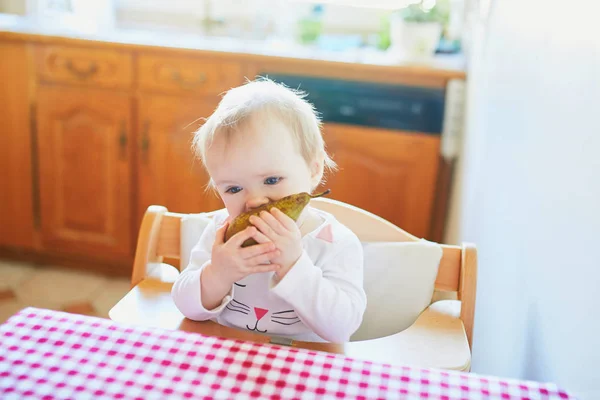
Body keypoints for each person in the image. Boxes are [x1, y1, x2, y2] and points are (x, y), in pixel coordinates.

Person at [171, 78, 366, 342]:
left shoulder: (333, 242)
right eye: (233, 189)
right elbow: (186, 307)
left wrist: (294, 266)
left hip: (305, 367)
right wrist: (218, 274)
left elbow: (342, 327)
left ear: (313, 169)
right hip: (230, 359)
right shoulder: (222, 233)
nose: (255, 201)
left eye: (271, 181)